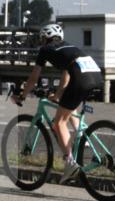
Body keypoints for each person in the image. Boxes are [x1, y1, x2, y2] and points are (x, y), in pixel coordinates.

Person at [13, 23, 102, 181]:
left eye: (42, 39)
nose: (41, 42)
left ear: (45, 38)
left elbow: (33, 78)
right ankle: (81, 134)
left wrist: (22, 95)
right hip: (96, 75)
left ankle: (70, 163)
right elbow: (67, 74)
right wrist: (58, 94)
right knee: (68, 104)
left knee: (58, 123)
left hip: (81, 78)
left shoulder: (45, 50)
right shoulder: (69, 47)